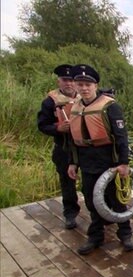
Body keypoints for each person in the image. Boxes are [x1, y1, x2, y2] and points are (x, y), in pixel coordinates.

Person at [66, 64, 133, 255]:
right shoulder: (75, 108)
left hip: (109, 161)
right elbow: (73, 139)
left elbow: (121, 137)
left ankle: (125, 233)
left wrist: (123, 163)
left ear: (95, 85)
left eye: (88, 84)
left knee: (116, 200)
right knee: (91, 200)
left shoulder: (110, 107)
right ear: (76, 86)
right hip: (87, 161)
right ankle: (95, 236)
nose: (84, 88)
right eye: (80, 84)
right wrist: (73, 162)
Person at [37, 64, 82, 229]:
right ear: (59, 81)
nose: (69, 83)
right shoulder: (50, 101)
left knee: (92, 179)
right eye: (65, 80)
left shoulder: (85, 97)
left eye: (71, 80)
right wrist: (57, 128)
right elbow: (42, 125)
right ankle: (70, 214)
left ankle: (98, 211)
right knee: (67, 182)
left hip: (84, 148)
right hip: (63, 148)